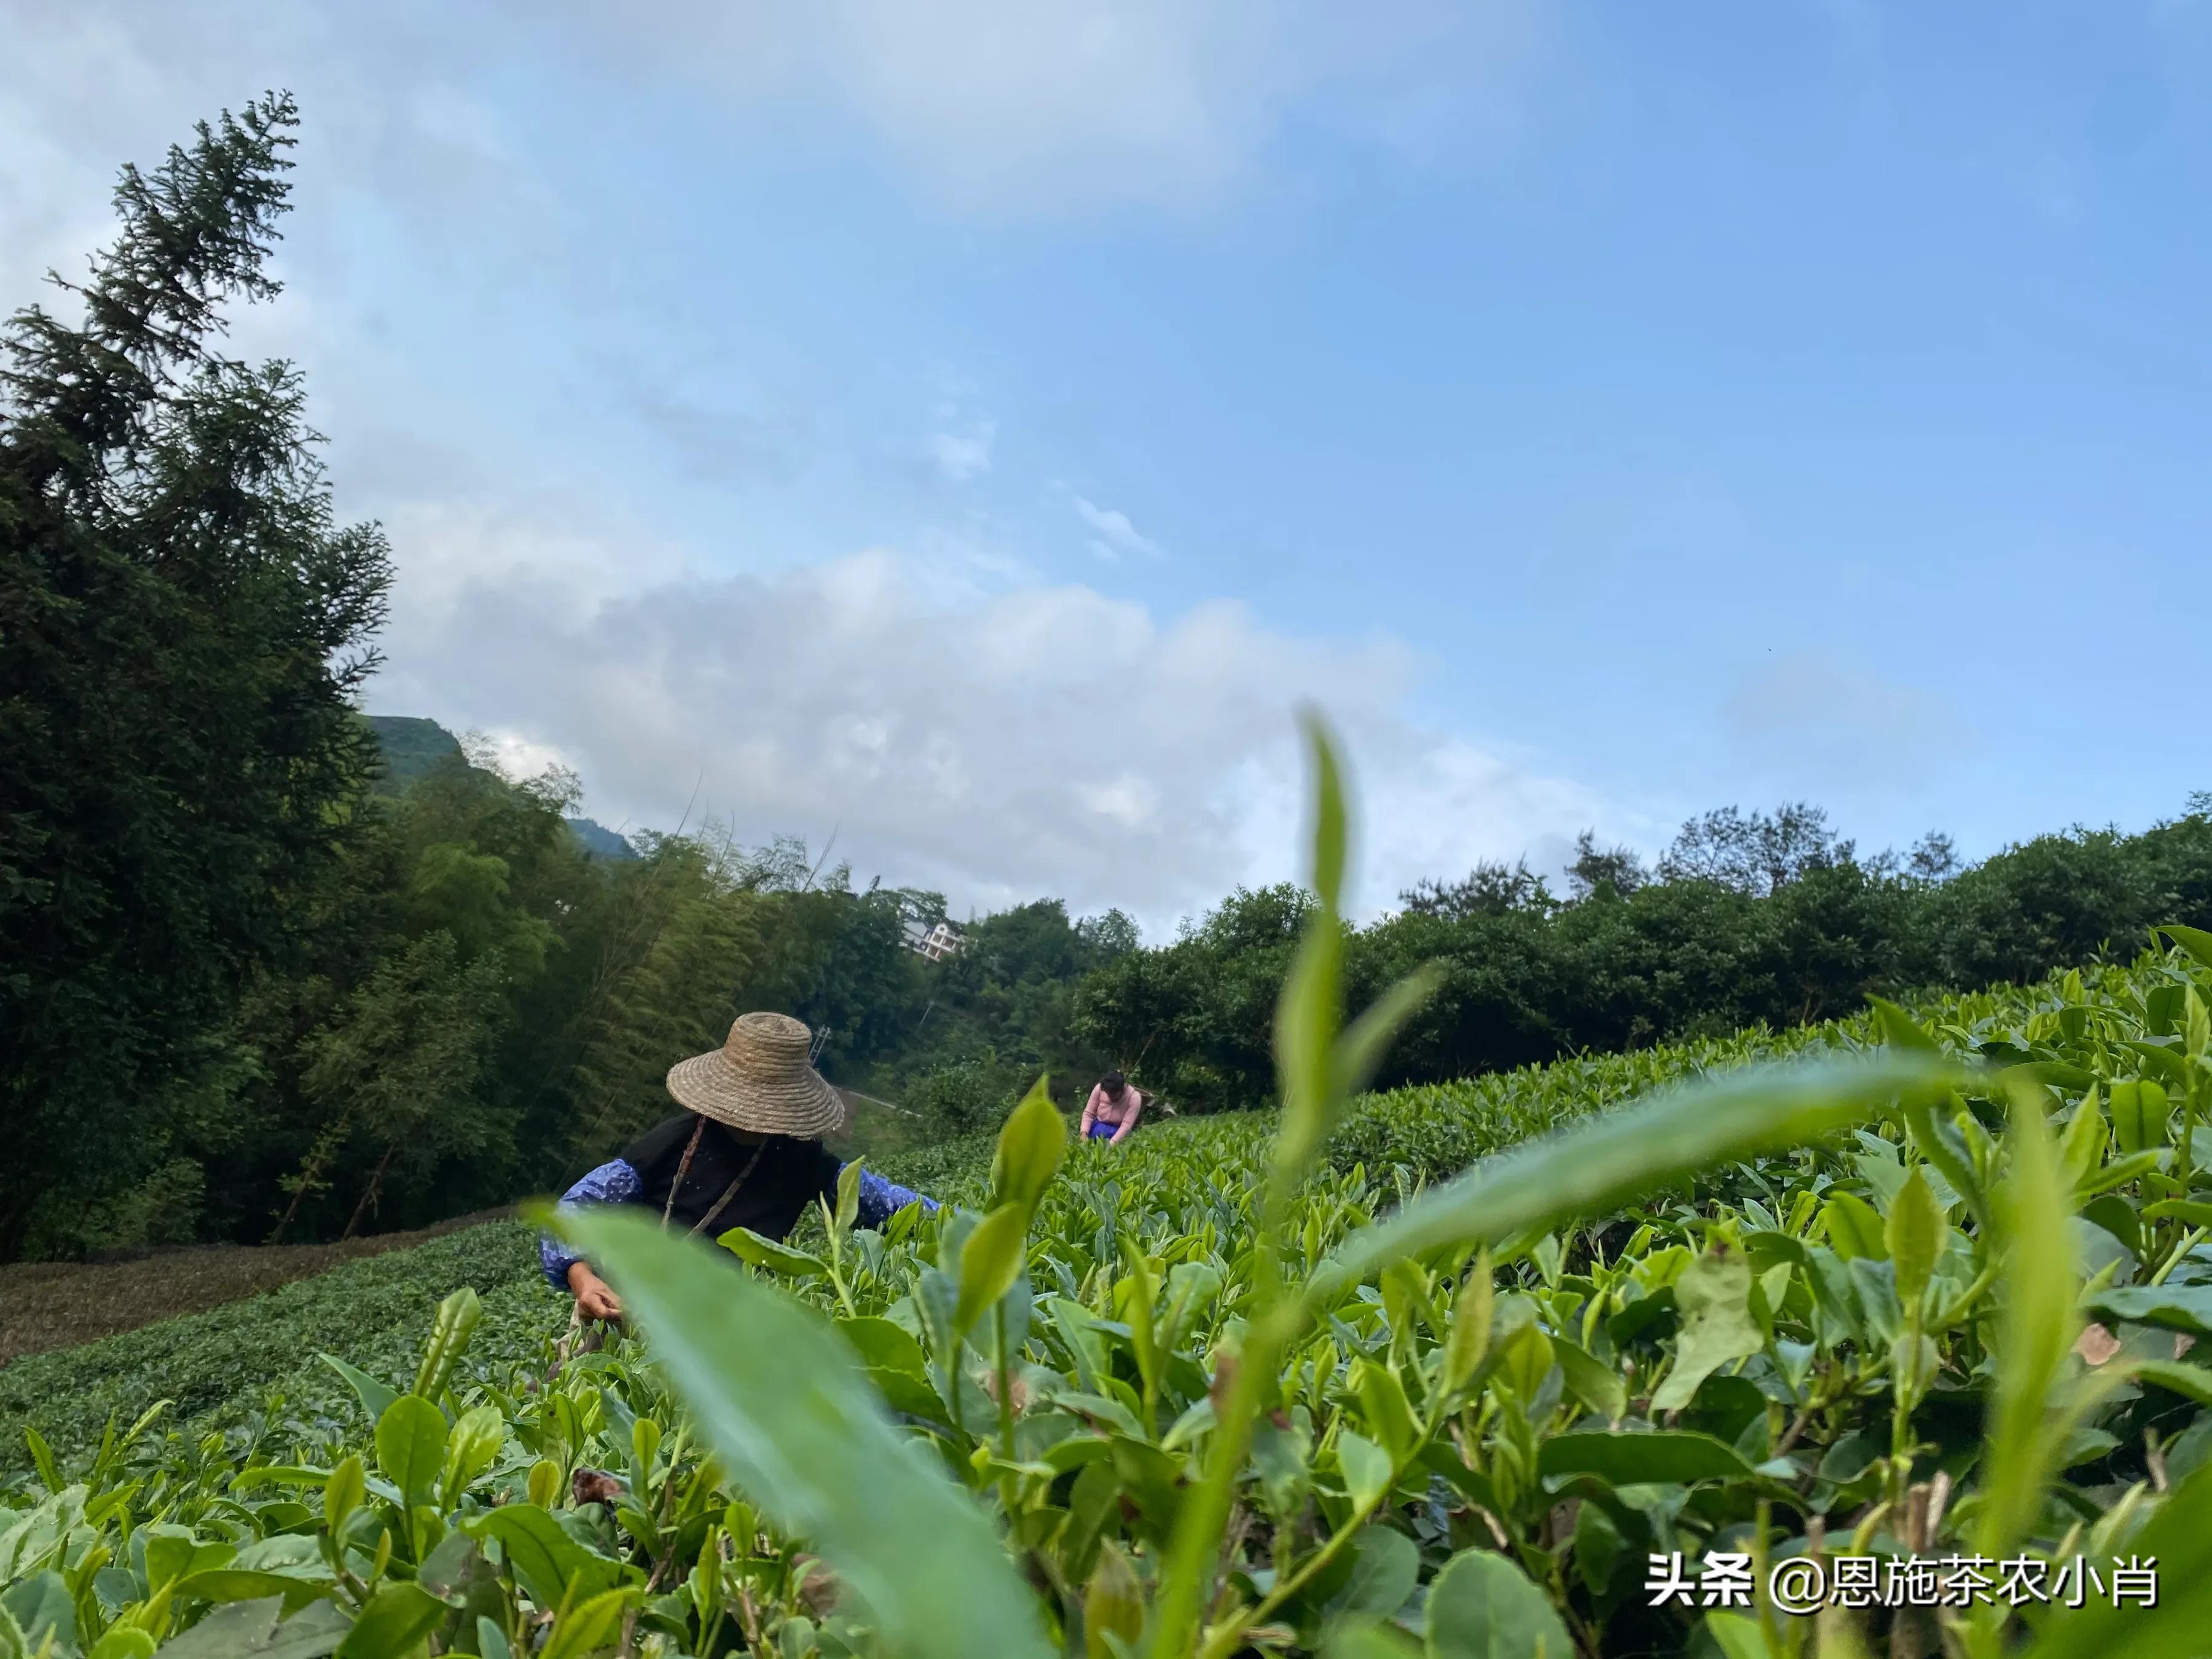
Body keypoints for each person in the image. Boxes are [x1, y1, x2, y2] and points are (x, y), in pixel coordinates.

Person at [541, 1011, 936, 1320]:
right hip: (621, 1305)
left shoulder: (803, 1160)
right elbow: (576, 1209)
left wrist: (958, 1229)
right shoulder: (673, 1142)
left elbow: (890, 1205)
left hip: (718, 1330)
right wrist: (583, 1278)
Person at [1080, 1069, 1145, 1146]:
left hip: (1117, 1130)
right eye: (1108, 1094)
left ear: (1122, 1090)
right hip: (1099, 1124)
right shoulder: (1099, 1089)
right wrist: (1084, 1133)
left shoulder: (1134, 1097)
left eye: (1114, 1094)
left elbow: (1126, 1126)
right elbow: (1089, 1113)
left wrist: (1111, 1144)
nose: (1110, 1097)